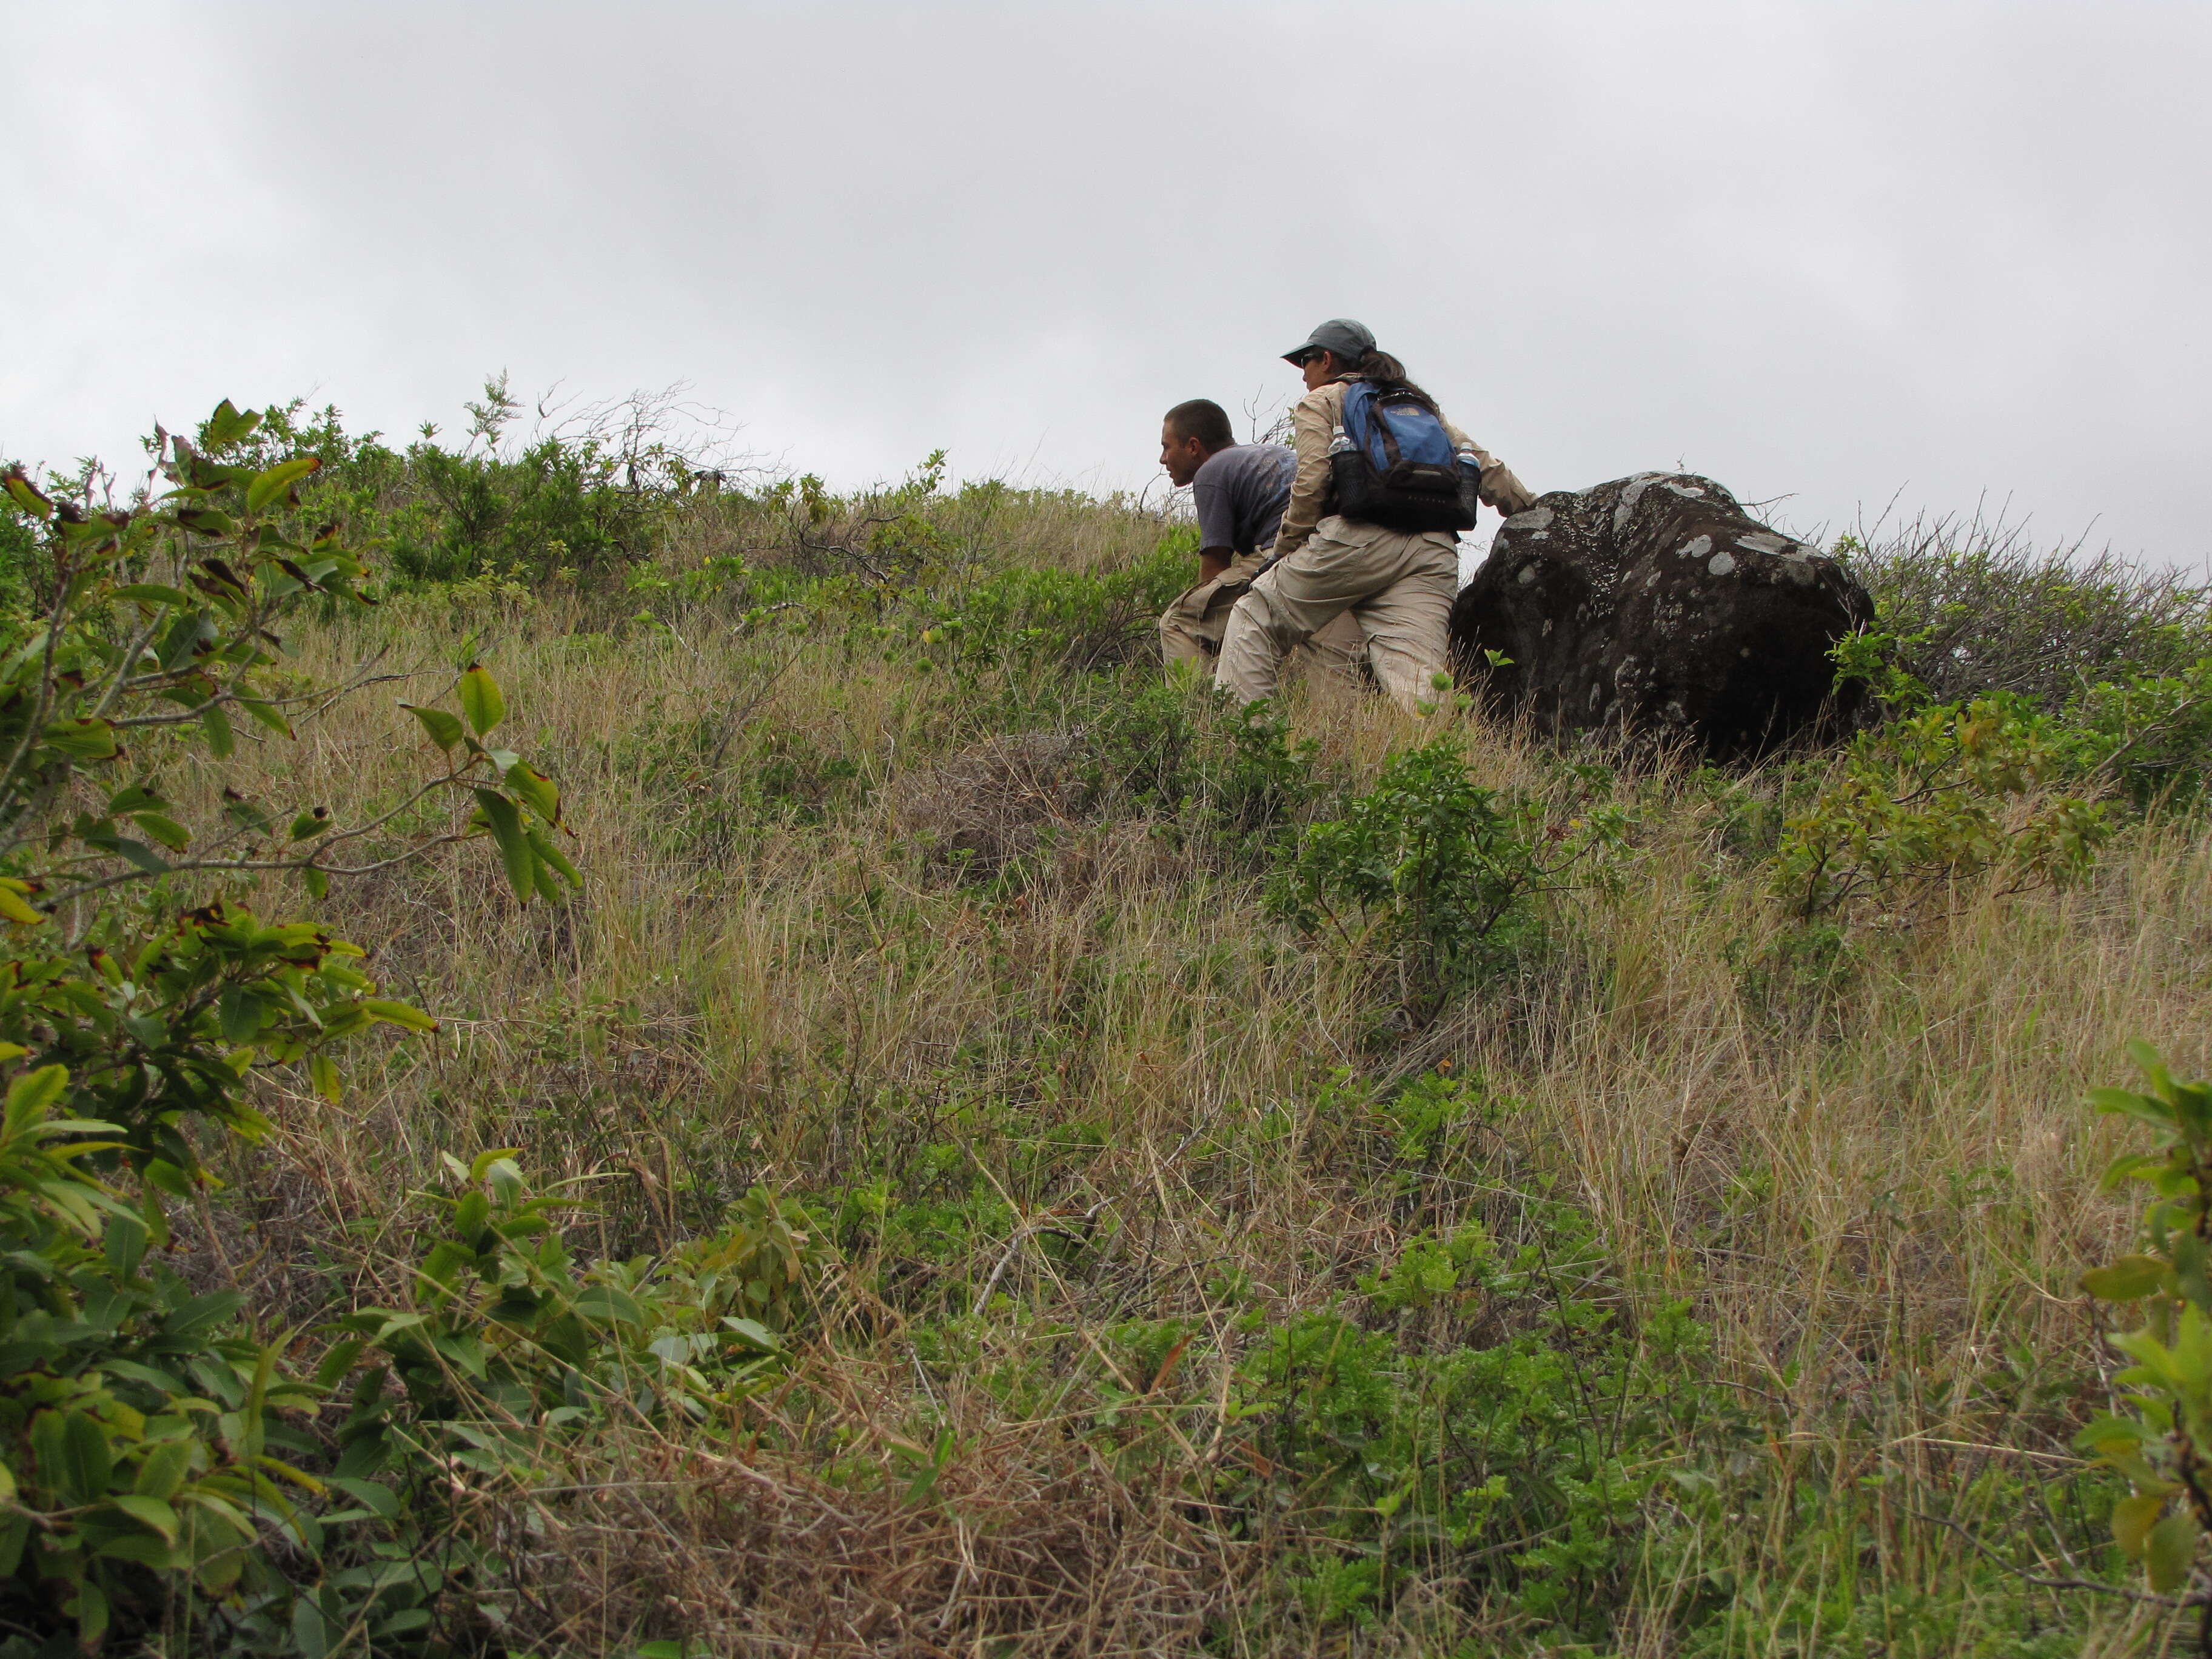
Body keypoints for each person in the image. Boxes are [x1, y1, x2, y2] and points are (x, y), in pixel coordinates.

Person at [1215, 320, 1538, 712]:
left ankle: (1244, 750)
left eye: (1307, 360)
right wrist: (1535, 510)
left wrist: (1282, 553)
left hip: (1356, 538)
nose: (1303, 373)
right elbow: (1486, 468)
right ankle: (1441, 768)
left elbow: (1312, 483)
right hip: (1432, 550)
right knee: (1420, 683)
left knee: (1253, 618)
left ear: (1328, 360)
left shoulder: (1324, 401)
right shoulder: (1419, 407)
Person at [1155, 398, 1366, 678]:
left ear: (1193, 447)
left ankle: (1196, 716)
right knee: (1331, 663)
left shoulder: (1211, 471)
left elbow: (1214, 568)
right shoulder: (1270, 453)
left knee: (1181, 621)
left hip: (1288, 553)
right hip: (1340, 550)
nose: (1163, 459)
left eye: (1166, 447)